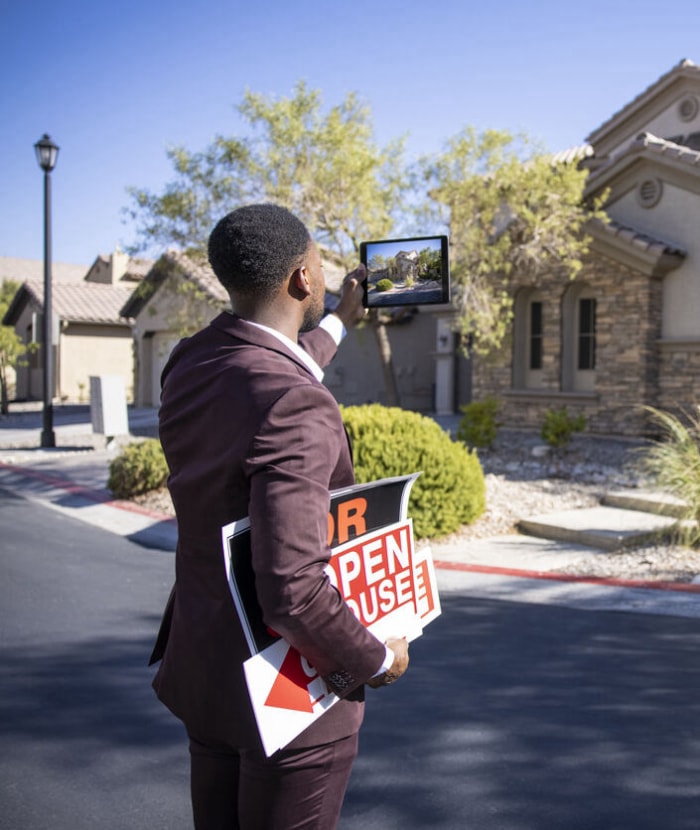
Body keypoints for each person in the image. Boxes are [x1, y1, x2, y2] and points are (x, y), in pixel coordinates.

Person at [151, 203, 410, 829]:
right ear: (301, 279)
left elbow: (276, 361)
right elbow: (292, 590)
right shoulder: (295, 400)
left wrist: (343, 319)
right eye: (318, 263)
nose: (323, 275)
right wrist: (375, 659)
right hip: (286, 699)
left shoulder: (191, 361)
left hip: (206, 673)